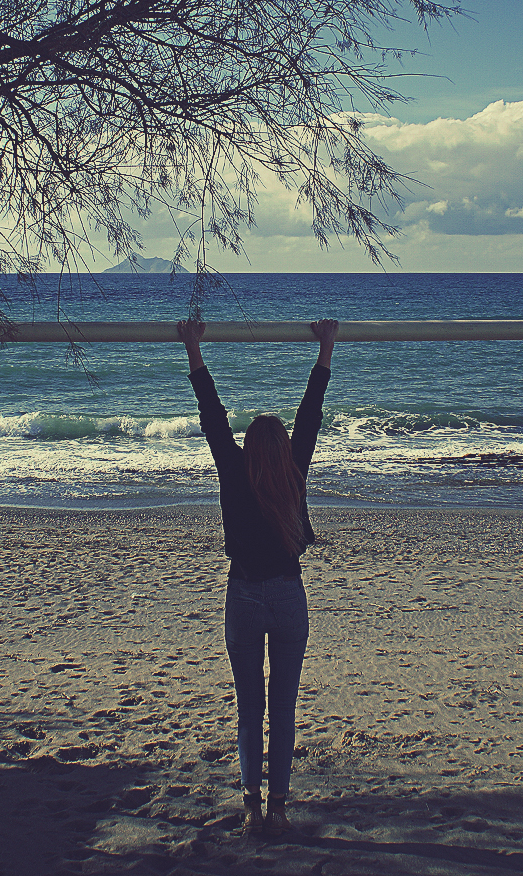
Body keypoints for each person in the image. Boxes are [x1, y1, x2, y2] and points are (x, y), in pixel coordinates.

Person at [177, 317, 338, 835]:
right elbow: (311, 412)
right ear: (285, 446)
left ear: (248, 446)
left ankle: (251, 804)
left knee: (250, 710)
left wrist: (194, 350)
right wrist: (326, 349)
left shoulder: (233, 467)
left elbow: (211, 414)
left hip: (243, 596)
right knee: (282, 710)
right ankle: (280, 807)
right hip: (289, 597)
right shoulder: (294, 467)